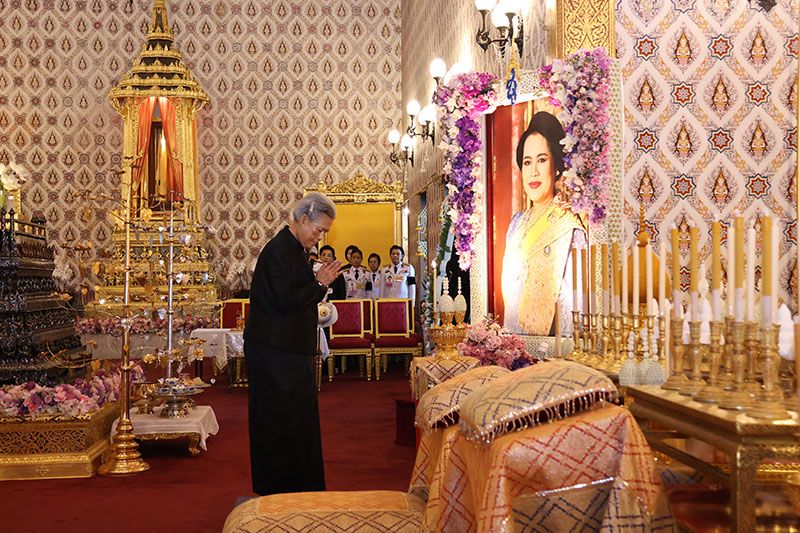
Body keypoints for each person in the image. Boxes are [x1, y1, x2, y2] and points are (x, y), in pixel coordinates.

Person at [244, 192, 343, 496]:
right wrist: (320, 284)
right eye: (319, 229)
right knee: (278, 424)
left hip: (289, 352)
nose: (320, 237)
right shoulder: (277, 252)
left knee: (298, 424)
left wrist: (317, 283)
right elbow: (285, 302)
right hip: (275, 355)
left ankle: (300, 490)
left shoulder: (296, 250)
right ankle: (278, 492)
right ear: (302, 219)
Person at [502, 111, 586, 336]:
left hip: (552, 344)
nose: (534, 172)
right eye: (527, 162)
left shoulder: (569, 228)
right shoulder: (516, 225)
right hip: (513, 340)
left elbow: (574, 301)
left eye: (542, 160)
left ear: (556, 166)